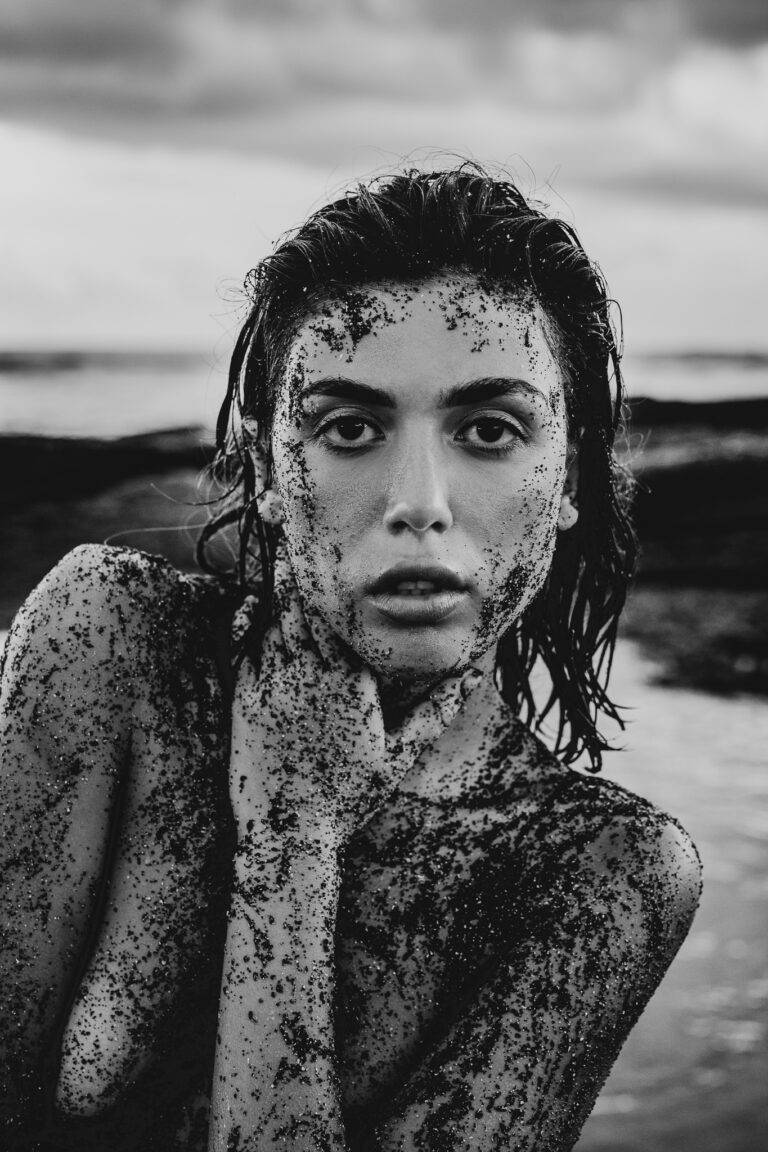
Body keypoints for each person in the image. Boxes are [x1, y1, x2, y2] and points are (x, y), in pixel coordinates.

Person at [0, 165, 702, 1152]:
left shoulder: (596, 874)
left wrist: (291, 847)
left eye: (490, 430)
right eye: (351, 428)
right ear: (269, 470)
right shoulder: (114, 641)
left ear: (572, 474)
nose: (419, 499)